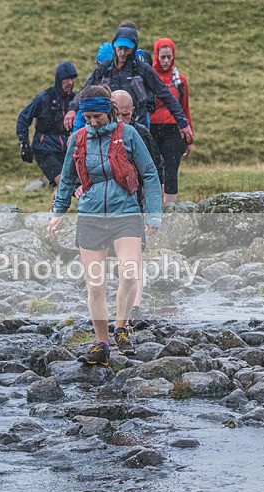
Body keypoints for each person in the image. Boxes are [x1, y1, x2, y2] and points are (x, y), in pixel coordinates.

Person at [49, 85, 160, 364]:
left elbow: (149, 173)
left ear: (109, 112)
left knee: (130, 273)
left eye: (97, 116)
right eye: (88, 118)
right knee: (95, 285)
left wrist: (154, 215)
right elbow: (67, 177)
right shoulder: (79, 139)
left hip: (126, 213)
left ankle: (121, 328)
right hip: (91, 216)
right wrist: (58, 211)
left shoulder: (129, 135)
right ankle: (102, 344)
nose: (93, 122)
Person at [64, 25, 193, 147]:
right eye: (120, 48)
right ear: (114, 47)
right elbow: (86, 90)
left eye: (127, 49)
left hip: (137, 127)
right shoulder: (105, 68)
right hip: (110, 128)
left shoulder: (143, 70)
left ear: (134, 49)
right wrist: (72, 109)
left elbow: (165, 94)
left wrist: (182, 121)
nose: (123, 53)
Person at [112, 90, 162, 328]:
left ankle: (135, 306)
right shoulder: (97, 135)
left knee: (135, 256)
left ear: (132, 111)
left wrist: (153, 207)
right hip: (105, 205)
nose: (121, 122)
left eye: (126, 116)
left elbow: (154, 169)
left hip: (136, 202)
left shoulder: (140, 133)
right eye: (117, 116)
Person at [17, 62, 78, 187]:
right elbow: (23, 118)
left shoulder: (76, 100)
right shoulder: (44, 98)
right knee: (64, 184)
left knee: (62, 188)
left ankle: (54, 207)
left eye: (72, 79)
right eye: (66, 79)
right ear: (58, 80)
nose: (70, 83)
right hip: (44, 149)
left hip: (66, 150)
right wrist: (24, 143)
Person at [150, 37, 193, 204]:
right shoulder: (149, 77)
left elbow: (185, 109)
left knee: (170, 171)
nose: (166, 61)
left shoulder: (180, 81)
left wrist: (189, 138)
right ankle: (153, 209)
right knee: (152, 170)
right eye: (163, 57)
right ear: (156, 56)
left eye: (169, 57)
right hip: (152, 129)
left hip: (174, 131)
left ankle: (171, 210)